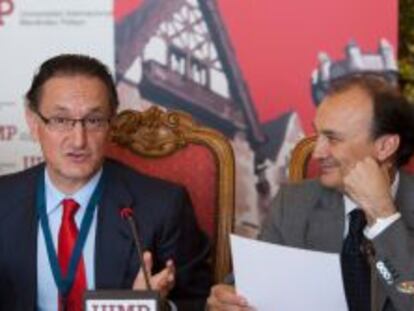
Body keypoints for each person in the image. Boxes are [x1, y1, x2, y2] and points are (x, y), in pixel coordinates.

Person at [0, 54, 210, 310]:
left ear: (111, 123)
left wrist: (152, 306)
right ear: (34, 124)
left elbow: (199, 302)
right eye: (61, 120)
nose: (78, 140)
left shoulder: (162, 207)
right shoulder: (3, 200)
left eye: (94, 121)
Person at [208, 74, 414, 311]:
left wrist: (383, 217)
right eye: (318, 135)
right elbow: (247, 288)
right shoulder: (293, 203)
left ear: (385, 146)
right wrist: (226, 301)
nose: (317, 152)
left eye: (333, 139)